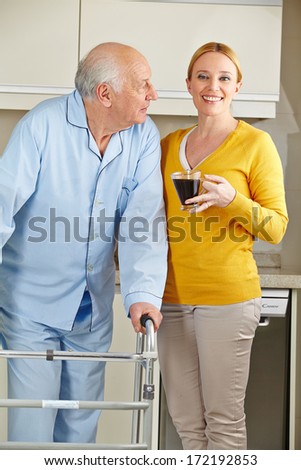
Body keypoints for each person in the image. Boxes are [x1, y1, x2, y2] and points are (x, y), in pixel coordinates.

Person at [0, 42, 167, 443]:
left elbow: (142, 220)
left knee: (80, 428)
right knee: (32, 429)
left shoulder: (142, 137)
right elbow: (2, 201)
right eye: (143, 84)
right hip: (31, 307)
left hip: (91, 309)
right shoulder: (42, 125)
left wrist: (143, 293)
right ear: (105, 93)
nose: (153, 94)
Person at [157, 42, 288, 450]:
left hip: (228, 299)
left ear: (237, 87)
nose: (212, 85)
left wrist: (234, 201)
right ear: (189, 85)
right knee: (186, 424)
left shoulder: (255, 144)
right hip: (170, 300)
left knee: (223, 422)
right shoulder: (168, 144)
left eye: (223, 78)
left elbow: (276, 227)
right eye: (203, 76)